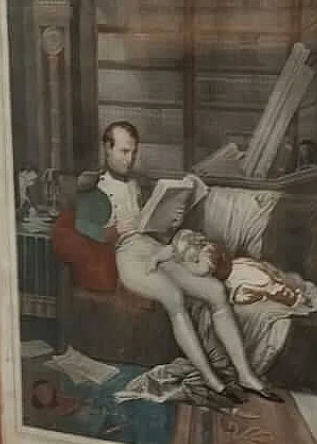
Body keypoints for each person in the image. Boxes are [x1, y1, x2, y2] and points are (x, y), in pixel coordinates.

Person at [74, 122, 275, 402]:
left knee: (216, 292)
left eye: (133, 152)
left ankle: (245, 374)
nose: (129, 159)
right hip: (127, 256)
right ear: (107, 148)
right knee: (174, 296)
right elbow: (82, 230)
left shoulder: (137, 184)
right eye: (122, 151)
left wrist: (171, 218)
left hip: (155, 247)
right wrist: (115, 230)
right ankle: (211, 380)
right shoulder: (95, 191)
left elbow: (153, 227)